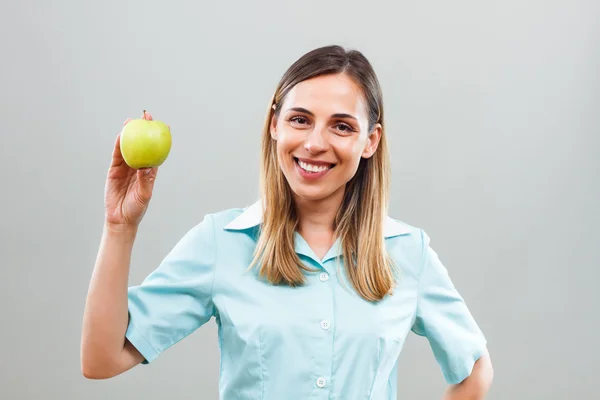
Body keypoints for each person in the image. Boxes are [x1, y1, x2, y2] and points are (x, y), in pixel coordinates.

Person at [81, 45, 494, 399]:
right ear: (274, 124)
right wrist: (120, 227)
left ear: (370, 141)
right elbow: (102, 359)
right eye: (300, 119)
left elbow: (475, 370)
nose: (315, 143)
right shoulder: (221, 243)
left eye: (342, 126)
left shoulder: (408, 252)